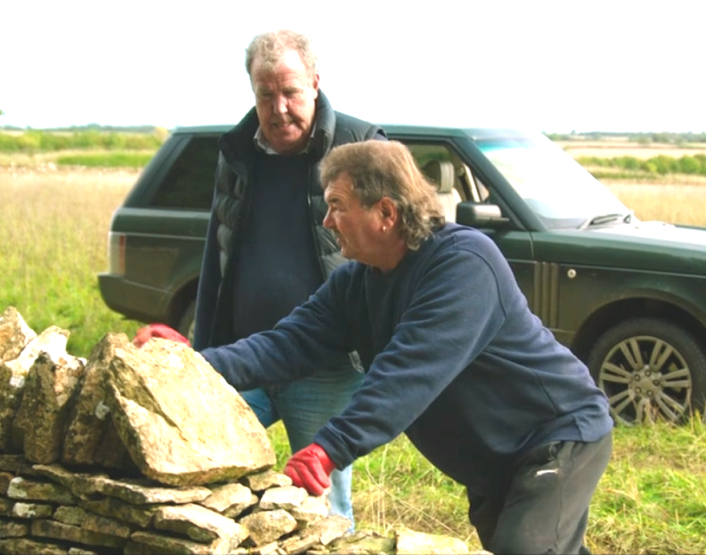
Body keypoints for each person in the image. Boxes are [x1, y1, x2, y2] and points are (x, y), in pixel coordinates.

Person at [188, 140, 615, 554]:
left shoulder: (464, 263)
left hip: (556, 435)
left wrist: (330, 448)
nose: (327, 221)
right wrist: (188, 363)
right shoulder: (356, 283)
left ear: (386, 212)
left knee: (525, 549)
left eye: (337, 205)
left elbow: (410, 369)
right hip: (494, 462)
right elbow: (286, 343)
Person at [136, 29, 385, 524]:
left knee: (324, 506)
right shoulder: (237, 152)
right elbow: (217, 257)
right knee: (202, 479)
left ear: (315, 83)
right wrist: (201, 356)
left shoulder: (361, 146)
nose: (279, 108)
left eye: (290, 92)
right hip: (245, 356)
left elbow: (393, 254)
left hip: (326, 366)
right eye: (265, 94)